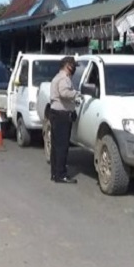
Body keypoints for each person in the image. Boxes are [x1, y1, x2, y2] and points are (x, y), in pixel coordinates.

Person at [49, 56, 79, 184]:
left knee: (56, 146)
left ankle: (55, 173)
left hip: (55, 113)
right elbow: (64, 93)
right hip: (62, 115)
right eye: (73, 66)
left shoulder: (57, 77)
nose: (74, 69)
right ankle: (61, 174)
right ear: (68, 66)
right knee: (62, 146)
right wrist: (76, 94)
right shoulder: (64, 78)